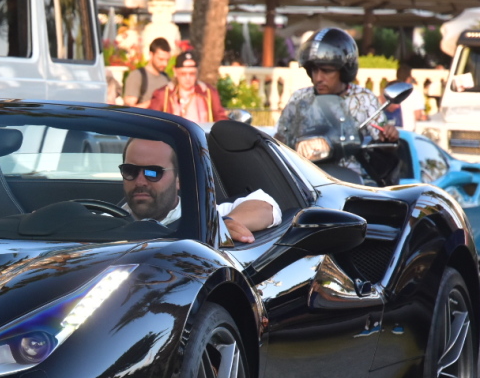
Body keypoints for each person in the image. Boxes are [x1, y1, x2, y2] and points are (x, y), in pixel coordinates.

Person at [275, 28, 399, 179]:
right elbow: (281, 136)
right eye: (314, 70)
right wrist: (284, 142)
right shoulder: (300, 99)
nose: (318, 77)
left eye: (326, 71)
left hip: (355, 180)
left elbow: (381, 137)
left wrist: (388, 134)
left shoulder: (364, 99)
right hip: (306, 177)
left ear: (344, 70)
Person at [123, 137, 280, 245]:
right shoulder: (105, 222)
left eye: (153, 172)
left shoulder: (206, 217)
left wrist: (220, 227)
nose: (140, 181)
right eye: (130, 171)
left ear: (179, 179)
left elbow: (265, 206)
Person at [147, 50, 228, 124]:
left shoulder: (208, 92)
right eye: (183, 74)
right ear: (175, 71)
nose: (187, 78)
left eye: (192, 74)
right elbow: (152, 121)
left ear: (197, 72)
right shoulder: (164, 94)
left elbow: (221, 120)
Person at [121, 37, 171, 108]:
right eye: (161, 59)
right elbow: (129, 110)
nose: (165, 64)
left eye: (167, 60)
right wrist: (155, 101)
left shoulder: (166, 78)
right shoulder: (137, 76)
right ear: (151, 55)